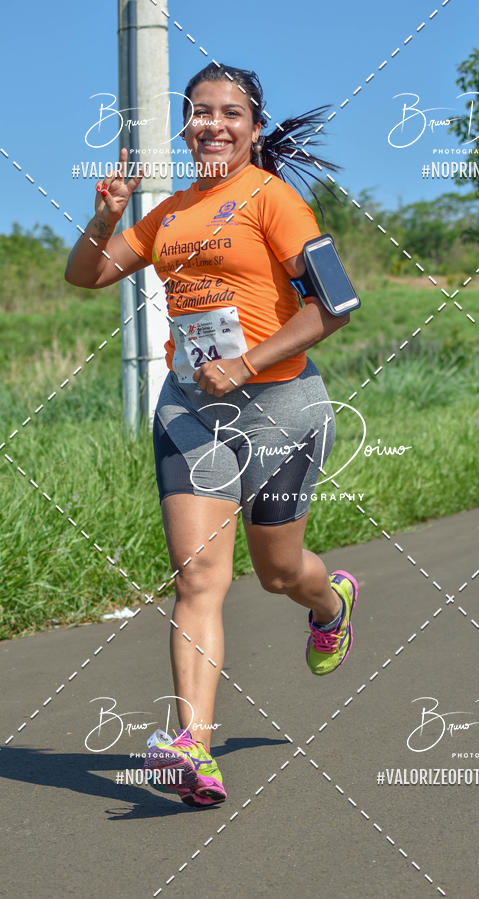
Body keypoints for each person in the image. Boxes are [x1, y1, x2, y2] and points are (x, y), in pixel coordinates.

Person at [65, 62, 359, 808]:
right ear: (186, 124)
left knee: (279, 572)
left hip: (281, 406)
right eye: (200, 112)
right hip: (192, 409)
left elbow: (337, 303)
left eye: (231, 113)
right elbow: (87, 276)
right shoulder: (169, 215)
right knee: (199, 578)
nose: (213, 124)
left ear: (255, 129)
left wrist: (249, 361)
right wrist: (106, 216)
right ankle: (193, 748)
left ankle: (330, 606)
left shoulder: (273, 199)